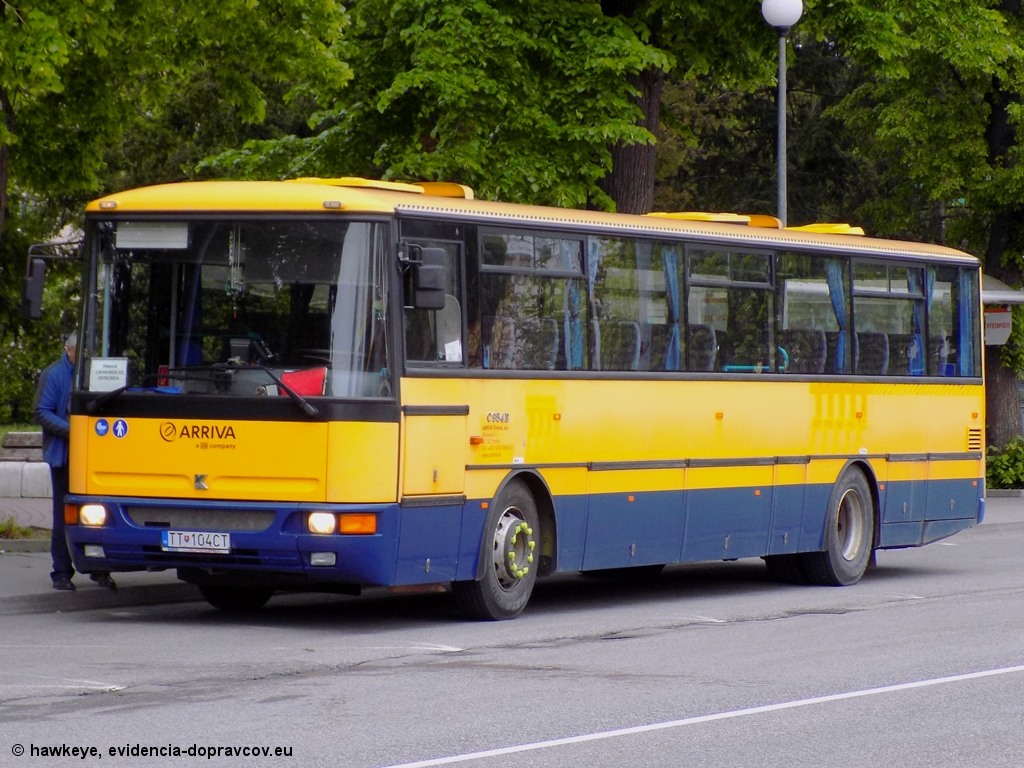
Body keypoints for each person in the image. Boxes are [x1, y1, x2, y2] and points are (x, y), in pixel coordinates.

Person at [33, 332, 116, 591]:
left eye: (88, 353)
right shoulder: (54, 374)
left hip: (94, 455)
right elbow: (41, 411)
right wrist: (74, 431)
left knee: (99, 513)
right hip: (65, 455)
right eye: (79, 352)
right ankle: (61, 572)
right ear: (68, 349)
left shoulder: (95, 374)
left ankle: (99, 568)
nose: (84, 357)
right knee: (63, 514)